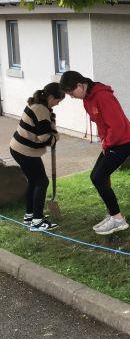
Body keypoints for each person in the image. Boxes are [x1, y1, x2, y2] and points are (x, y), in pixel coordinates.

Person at [59, 71, 130, 235]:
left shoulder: (102, 96)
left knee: (98, 177)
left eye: (72, 93)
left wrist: (107, 142)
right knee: (97, 176)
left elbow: (117, 126)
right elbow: (101, 123)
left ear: (80, 85)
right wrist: (104, 141)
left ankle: (118, 220)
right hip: (112, 142)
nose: (72, 97)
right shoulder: (87, 99)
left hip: (124, 142)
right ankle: (113, 214)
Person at [9, 83, 65, 232]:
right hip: (24, 150)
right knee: (42, 181)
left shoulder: (40, 105)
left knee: (34, 181)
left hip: (18, 148)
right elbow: (44, 138)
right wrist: (55, 137)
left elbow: (45, 128)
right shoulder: (41, 109)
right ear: (51, 97)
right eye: (58, 101)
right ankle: (37, 222)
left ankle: (30, 216)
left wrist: (51, 121)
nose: (58, 104)